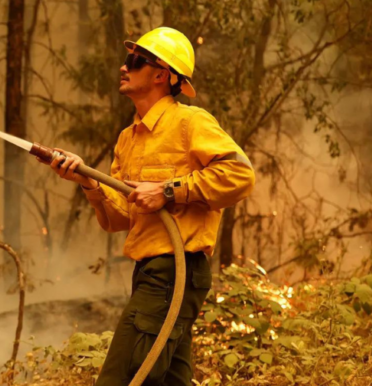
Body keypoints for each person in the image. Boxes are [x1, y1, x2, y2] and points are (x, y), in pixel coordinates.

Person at [45, 27, 255, 385]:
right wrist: (89, 182)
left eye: (135, 60)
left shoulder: (190, 122)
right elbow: (118, 218)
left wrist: (169, 191)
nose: (124, 68)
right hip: (149, 273)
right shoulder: (128, 139)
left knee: (122, 379)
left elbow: (240, 174)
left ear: (161, 75)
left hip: (175, 272)